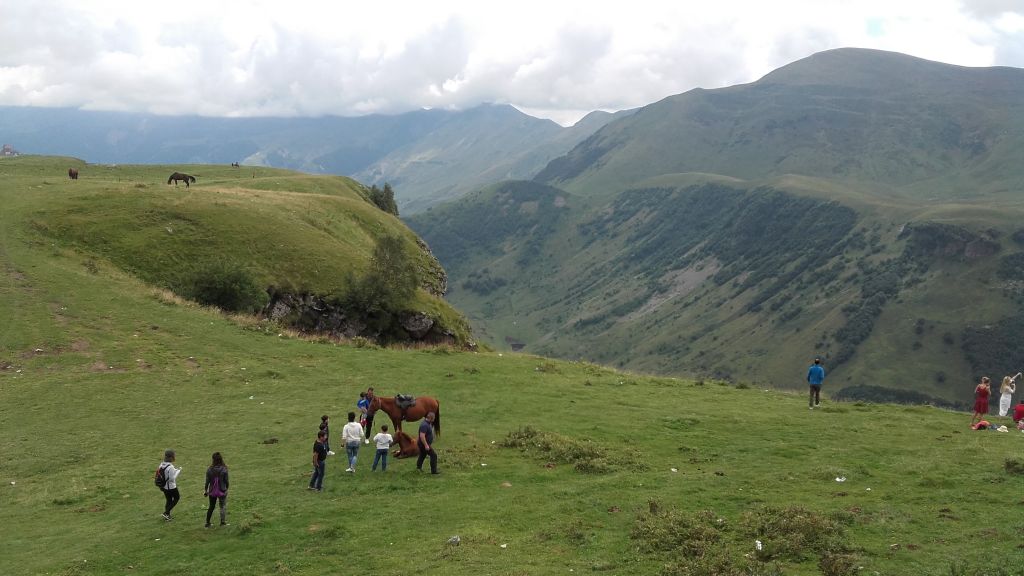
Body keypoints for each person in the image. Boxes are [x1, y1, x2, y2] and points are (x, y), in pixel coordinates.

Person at [203, 452, 229, 527]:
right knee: (222, 506)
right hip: (222, 490)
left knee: (211, 506)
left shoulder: (209, 469)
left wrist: (205, 490)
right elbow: (226, 481)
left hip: (212, 491)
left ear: (213, 459)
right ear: (221, 459)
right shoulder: (224, 469)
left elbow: (207, 482)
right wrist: (227, 488)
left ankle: (207, 523)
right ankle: (222, 522)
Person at [158, 449, 181, 521]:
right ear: (171, 457)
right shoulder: (170, 467)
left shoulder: (161, 465)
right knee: (177, 498)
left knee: (168, 500)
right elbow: (172, 479)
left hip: (164, 486)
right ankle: (166, 512)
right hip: (171, 487)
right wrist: (178, 471)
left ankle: (167, 516)